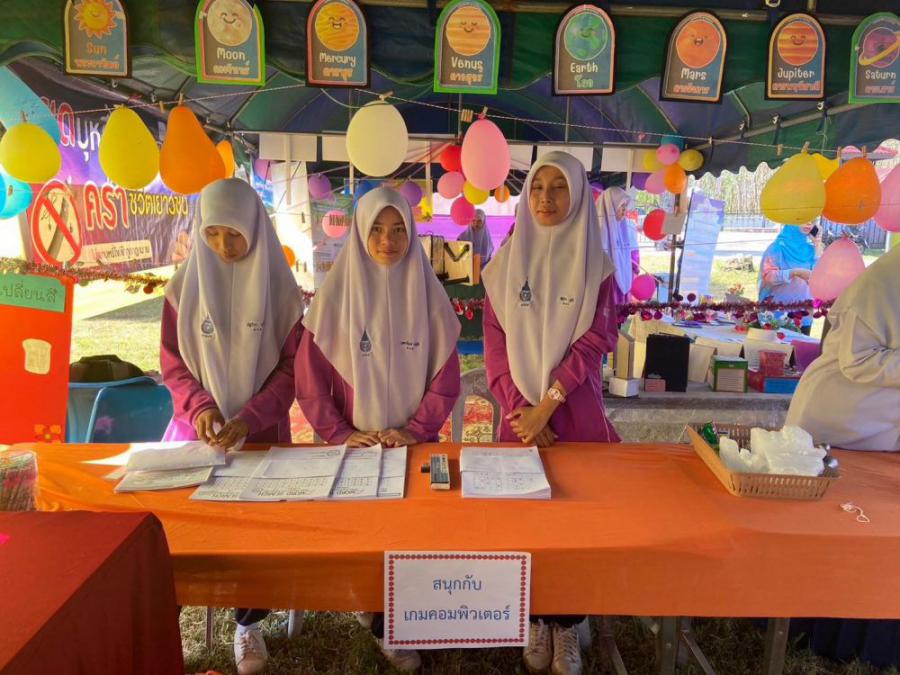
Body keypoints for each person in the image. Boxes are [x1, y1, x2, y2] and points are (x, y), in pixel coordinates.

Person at [296, 186, 461, 672]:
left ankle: (405, 617)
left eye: (398, 230)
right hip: (359, 447)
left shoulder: (428, 294)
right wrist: (339, 433)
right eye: (376, 230)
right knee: (366, 537)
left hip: (414, 446)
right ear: (360, 233)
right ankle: (378, 616)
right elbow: (309, 380)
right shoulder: (335, 295)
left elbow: (446, 376)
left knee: (413, 533)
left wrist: (416, 429)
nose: (387, 241)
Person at [482, 151, 620, 675]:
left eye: (558, 187)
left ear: (578, 195)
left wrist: (548, 405)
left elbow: (595, 340)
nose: (545, 197)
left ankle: (568, 624)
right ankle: (535, 617)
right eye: (537, 187)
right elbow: (495, 348)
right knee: (526, 521)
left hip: (574, 414)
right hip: (520, 422)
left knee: (575, 524)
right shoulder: (504, 264)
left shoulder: (596, 266)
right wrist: (522, 412)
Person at [160, 177, 304, 675]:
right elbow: (173, 363)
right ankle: (168, 613)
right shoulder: (182, 290)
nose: (223, 246)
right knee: (188, 529)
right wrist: (200, 407)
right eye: (213, 233)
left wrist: (250, 418)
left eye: (234, 234)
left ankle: (249, 623)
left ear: (255, 230)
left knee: (255, 533)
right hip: (198, 434)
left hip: (261, 435)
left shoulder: (281, 293)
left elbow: (292, 370)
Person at [784, 244, 900, 666]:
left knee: (877, 536)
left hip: (883, 432)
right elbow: (859, 360)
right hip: (838, 425)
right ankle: (810, 627)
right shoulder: (885, 281)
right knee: (827, 534)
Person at [759, 224, 820, 334]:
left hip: (804, 314)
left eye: (811, 220)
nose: (808, 223)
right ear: (792, 221)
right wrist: (794, 272)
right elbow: (768, 276)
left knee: (800, 345)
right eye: (803, 219)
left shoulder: (812, 250)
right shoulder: (776, 248)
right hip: (777, 313)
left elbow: (821, 276)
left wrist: (817, 243)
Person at [596, 186, 639, 305]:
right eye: (621, 206)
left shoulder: (623, 227)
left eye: (625, 207)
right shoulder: (598, 229)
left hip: (619, 284)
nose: (625, 211)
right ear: (611, 206)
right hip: (606, 284)